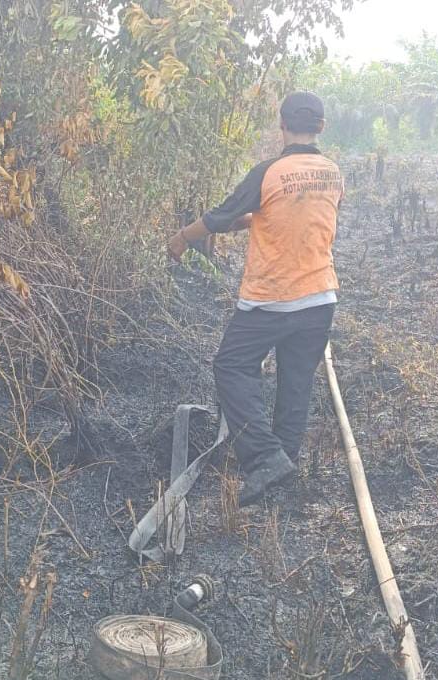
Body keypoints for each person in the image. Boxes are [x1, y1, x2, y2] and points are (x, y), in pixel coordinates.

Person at [168, 91, 344, 507]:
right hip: (320, 298)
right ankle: (283, 465)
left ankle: (265, 457)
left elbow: (218, 217)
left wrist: (179, 240)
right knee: (296, 382)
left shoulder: (269, 172)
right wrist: (253, 219)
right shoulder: (334, 173)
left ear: (281, 126)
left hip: (272, 299)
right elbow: (293, 213)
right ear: (321, 127)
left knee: (231, 366)